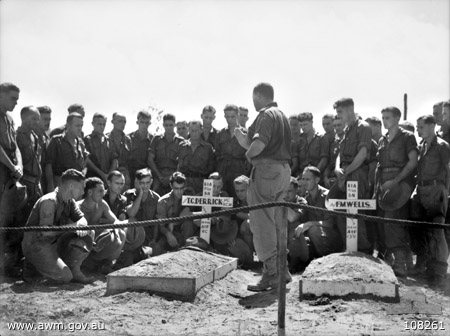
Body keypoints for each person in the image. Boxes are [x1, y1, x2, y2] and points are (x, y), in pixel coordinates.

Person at [234, 82, 292, 291]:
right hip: (282, 172)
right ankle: (281, 270)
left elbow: (258, 145)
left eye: (254, 96)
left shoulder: (266, 115)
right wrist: (244, 140)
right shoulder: (281, 115)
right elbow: (254, 142)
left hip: (266, 172)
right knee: (276, 221)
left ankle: (272, 273)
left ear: (258, 95)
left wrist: (248, 154)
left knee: (261, 222)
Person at [21, 169, 95, 284]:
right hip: (38, 245)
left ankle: (73, 269)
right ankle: (31, 265)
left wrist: (81, 225)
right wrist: (74, 226)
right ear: (71, 186)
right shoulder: (49, 201)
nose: (82, 192)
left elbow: (82, 219)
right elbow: (45, 232)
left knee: (89, 232)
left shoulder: (69, 201)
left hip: (55, 243)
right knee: (65, 277)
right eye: (81, 188)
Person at [374, 107, 418, 277]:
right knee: (385, 224)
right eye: (383, 117)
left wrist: (396, 181)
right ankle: (397, 261)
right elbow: (379, 167)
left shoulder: (407, 137)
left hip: (399, 185)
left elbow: (413, 162)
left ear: (398, 118)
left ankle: (400, 265)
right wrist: (377, 188)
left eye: (388, 118)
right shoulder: (382, 140)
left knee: (394, 223)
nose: (385, 121)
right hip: (384, 187)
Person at [414, 115, 449, 285]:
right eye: (417, 127)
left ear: (432, 126)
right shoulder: (420, 146)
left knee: (438, 231)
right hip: (422, 191)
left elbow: (447, 170)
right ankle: (429, 267)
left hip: (437, 190)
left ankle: (440, 272)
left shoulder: (442, 146)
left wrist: (445, 193)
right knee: (425, 230)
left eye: (421, 127)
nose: (418, 130)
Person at [333, 97, 371, 252]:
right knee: (343, 212)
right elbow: (340, 154)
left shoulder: (363, 127)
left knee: (355, 213)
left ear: (350, 109)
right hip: (345, 174)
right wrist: (337, 169)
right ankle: (350, 247)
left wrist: (346, 173)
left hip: (356, 174)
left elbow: (362, 154)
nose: (339, 115)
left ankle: (362, 250)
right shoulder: (347, 129)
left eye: (340, 112)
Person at [290, 167, 342, 271]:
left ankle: (326, 262)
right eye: (303, 179)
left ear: (317, 180)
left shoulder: (327, 196)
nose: (304, 182)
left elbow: (331, 223)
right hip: (317, 238)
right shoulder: (306, 198)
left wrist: (309, 224)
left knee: (313, 230)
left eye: (307, 179)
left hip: (332, 238)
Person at [78, 178, 126, 274]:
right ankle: (82, 265)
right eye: (100, 191)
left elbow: (115, 221)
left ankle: (107, 264)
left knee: (121, 233)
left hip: (96, 241)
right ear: (90, 192)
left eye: (103, 190)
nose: (103, 193)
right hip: (80, 242)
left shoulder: (102, 204)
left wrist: (114, 230)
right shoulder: (77, 207)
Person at [0, 82, 23, 277]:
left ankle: (7, 265)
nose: (16, 102)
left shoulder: (9, 119)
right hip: (2, 171)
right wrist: (11, 166)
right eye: (12, 98)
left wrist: (19, 167)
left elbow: (14, 146)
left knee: (10, 220)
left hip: (10, 175)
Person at [120, 168, 161, 266]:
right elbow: (131, 214)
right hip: (132, 237)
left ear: (151, 182)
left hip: (148, 236)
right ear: (137, 182)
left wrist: (154, 239)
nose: (145, 186)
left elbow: (157, 222)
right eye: (142, 183)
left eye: (147, 182)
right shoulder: (128, 195)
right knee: (128, 258)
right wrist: (140, 194)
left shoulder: (156, 198)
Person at [45, 113, 89, 192]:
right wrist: (50, 184)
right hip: (60, 183)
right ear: (68, 125)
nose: (80, 129)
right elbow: (48, 164)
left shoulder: (80, 142)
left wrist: (83, 174)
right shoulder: (57, 140)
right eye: (77, 126)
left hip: (76, 184)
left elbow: (86, 159)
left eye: (81, 126)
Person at [215, 104, 251, 197]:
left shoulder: (246, 133)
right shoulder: (220, 134)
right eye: (227, 116)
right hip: (223, 173)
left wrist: (246, 171)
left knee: (239, 200)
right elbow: (216, 155)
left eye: (232, 116)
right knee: (223, 199)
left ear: (237, 115)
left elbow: (250, 155)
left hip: (240, 172)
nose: (230, 119)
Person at [156, 172, 195, 252]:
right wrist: (168, 234)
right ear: (171, 186)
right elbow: (161, 226)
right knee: (158, 248)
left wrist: (174, 223)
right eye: (176, 188)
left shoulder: (190, 196)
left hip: (187, 232)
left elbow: (193, 216)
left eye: (182, 188)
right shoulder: (163, 202)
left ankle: (186, 250)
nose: (179, 192)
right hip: (170, 232)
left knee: (188, 223)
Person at [148, 113, 184, 196]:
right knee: (155, 197)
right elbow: (150, 159)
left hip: (174, 174)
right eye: (166, 125)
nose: (168, 127)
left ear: (174, 125)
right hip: (158, 174)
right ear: (163, 125)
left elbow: (182, 162)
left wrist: (172, 177)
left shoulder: (180, 141)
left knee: (176, 198)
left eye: (171, 125)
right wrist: (160, 176)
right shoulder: (156, 139)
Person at [178, 120, 215, 194]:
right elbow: (178, 167)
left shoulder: (208, 148)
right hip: (185, 182)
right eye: (192, 130)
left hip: (201, 182)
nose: (194, 133)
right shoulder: (182, 146)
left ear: (201, 130)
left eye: (197, 130)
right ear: (188, 130)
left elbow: (212, 169)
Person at [84, 113, 118, 183]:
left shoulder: (109, 140)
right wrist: (102, 175)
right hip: (93, 178)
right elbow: (87, 160)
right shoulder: (87, 140)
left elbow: (115, 159)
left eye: (104, 124)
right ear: (93, 124)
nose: (102, 127)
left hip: (108, 179)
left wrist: (109, 175)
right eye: (99, 124)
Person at [107, 112, 132, 191]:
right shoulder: (106, 138)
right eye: (120, 121)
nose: (123, 124)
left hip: (124, 174)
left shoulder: (127, 139)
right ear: (112, 122)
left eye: (124, 121)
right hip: (110, 173)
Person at [128, 111, 153, 183]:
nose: (144, 125)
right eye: (142, 122)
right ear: (137, 122)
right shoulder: (129, 138)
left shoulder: (153, 139)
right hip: (131, 173)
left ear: (150, 123)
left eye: (146, 123)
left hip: (146, 173)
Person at [233, 175, 254, 253]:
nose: (239, 194)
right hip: (239, 236)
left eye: (242, 190)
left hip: (258, 234)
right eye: (237, 191)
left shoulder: (256, 201)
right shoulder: (235, 202)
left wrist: (238, 214)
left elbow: (257, 217)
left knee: (246, 224)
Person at [323, 114, 345, 189]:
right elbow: (330, 164)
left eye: (339, 125)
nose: (337, 128)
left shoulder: (350, 142)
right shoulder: (334, 143)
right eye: (335, 126)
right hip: (331, 178)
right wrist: (325, 177)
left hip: (344, 178)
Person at [35, 106, 52, 194]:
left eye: (49, 119)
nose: (48, 122)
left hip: (44, 180)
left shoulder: (46, 138)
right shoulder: (29, 135)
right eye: (45, 119)